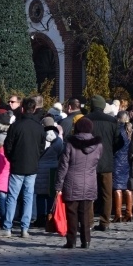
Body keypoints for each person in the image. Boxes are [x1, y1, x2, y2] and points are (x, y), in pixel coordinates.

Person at [0, 97, 42, 238]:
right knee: (28, 197)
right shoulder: (39, 127)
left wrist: (13, 158)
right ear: (34, 109)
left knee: (13, 197)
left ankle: (7, 227)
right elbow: (42, 148)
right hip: (32, 166)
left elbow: (7, 146)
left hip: (17, 165)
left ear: (22, 109)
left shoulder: (16, 126)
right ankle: (24, 228)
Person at [55, 117, 102, 249]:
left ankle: (71, 240)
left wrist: (58, 185)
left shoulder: (70, 144)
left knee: (72, 213)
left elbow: (63, 166)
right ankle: (86, 240)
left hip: (72, 182)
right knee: (85, 213)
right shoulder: (98, 145)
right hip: (89, 182)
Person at [85, 95, 120, 232]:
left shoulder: (85, 120)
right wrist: (110, 151)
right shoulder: (112, 121)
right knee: (106, 193)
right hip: (106, 160)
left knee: (89, 192)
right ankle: (105, 221)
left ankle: (89, 221)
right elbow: (118, 141)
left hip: (89, 161)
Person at [35, 118, 64, 226]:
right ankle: (50, 217)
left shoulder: (40, 137)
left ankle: (40, 218)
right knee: (51, 195)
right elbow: (61, 154)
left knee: (40, 196)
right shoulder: (59, 140)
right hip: (53, 169)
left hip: (40, 168)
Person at [112, 111, 133, 222]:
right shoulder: (131, 131)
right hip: (129, 161)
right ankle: (129, 212)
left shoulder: (118, 130)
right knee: (128, 187)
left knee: (117, 187)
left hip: (118, 160)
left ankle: (118, 213)